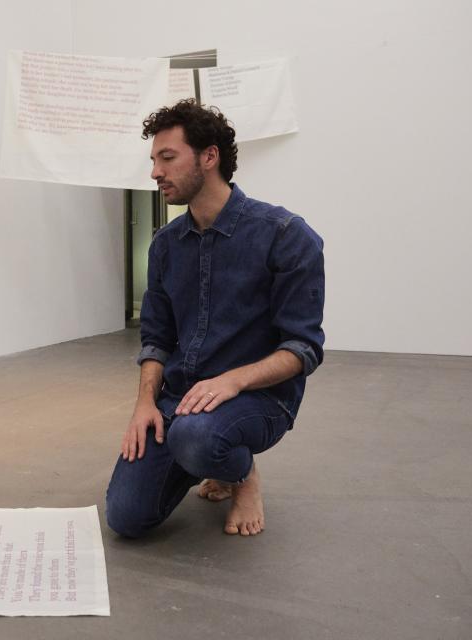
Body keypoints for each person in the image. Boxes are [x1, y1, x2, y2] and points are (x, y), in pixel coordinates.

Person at [105, 99, 325, 537]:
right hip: (183, 401)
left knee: (197, 436)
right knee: (126, 517)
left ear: (209, 157)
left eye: (168, 158)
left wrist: (233, 381)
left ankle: (240, 475)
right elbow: (156, 338)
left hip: (259, 399)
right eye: (153, 160)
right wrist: (145, 402)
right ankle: (205, 457)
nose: (154, 172)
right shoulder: (165, 246)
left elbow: (304, 348)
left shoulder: (285, 235)